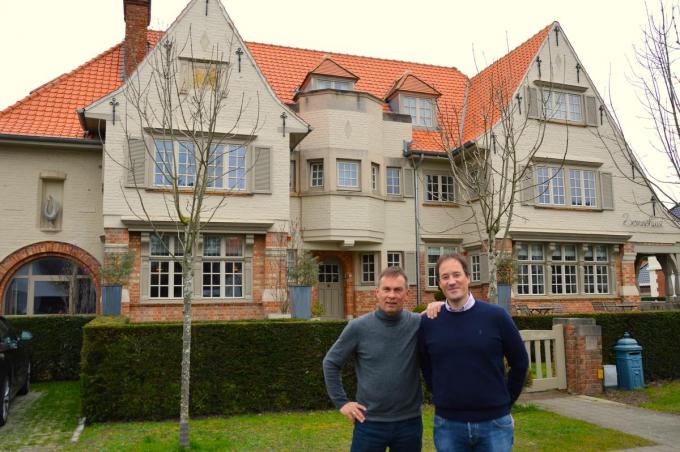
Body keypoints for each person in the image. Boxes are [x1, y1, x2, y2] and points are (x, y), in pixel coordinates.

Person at [418, 254, 529, 452]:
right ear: (439, 284)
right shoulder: (429, 322)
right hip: (448, 425)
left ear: (468, 277)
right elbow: (426, 365)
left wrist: (505, 402)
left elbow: (520, 363)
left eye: (456, 275)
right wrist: (442, 395)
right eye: (445, 277)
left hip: (494, 424)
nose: (451, 281)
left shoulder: (496, 317)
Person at [323, 266, 440, 452]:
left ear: (407, 293)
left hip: (409, 423)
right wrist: (342, 402)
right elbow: (331, 363)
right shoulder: (358, 327)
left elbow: (448, 315)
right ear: (377, 292)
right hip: (369, 423)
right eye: (386, 289)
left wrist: (440, 305)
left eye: (397, 290)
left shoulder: (417, 324)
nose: (391, 295)